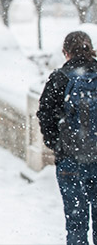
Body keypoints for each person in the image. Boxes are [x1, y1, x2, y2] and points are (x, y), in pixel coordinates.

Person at [37, 31, 97, 245]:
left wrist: (56, 145)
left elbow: (45, 114)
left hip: (70, 160)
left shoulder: (60, 78)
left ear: (66, 52)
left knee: (76, 222)